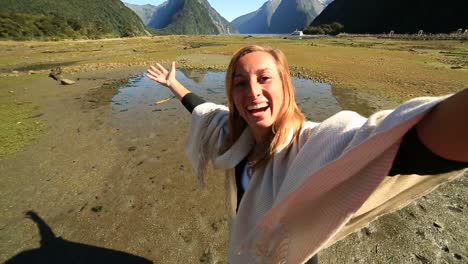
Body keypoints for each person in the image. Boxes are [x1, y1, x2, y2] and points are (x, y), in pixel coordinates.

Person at [146, 45, 468, 263]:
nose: (253, 92)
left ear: (286, 84)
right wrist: (175, 85)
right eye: (241, 83)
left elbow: (391, 140)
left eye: (265, 78)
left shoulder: (313, 143)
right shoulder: (233, 136)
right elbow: (203, 108)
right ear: (232, 95)